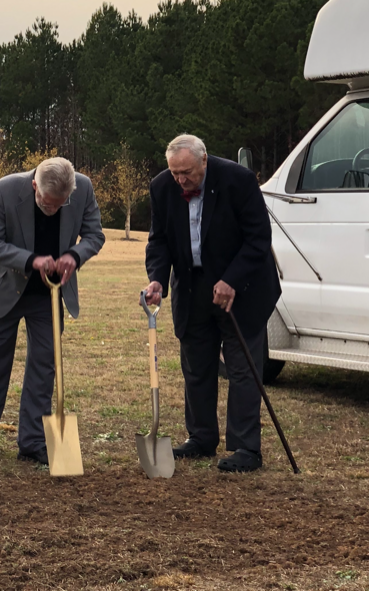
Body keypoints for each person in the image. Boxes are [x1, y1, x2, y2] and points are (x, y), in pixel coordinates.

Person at [142, 134, 281, 473]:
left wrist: (231, 280)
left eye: (187, 172)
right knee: (196, 366)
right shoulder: (162, 187)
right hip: (192, 288)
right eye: (175, 173)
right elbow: (159, 240)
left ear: (204, 161)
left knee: (242, 368)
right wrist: (157, 278)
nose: (181, 180)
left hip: (242, 288)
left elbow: (259, 238)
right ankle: (201, 437)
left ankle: (245, 448)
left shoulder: (239, 180)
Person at [0, 157, 105, 465]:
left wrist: (74, 254)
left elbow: (95, 235)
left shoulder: (82, 188)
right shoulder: (4, 190)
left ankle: (32, 440)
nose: (54, 209)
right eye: (47, 203)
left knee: (45, 363)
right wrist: (32, 260)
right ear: (34, 187)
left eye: (61, 204)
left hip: (50, 292)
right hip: (3, 288)